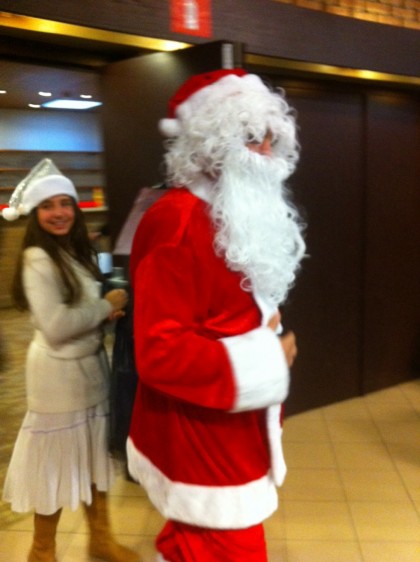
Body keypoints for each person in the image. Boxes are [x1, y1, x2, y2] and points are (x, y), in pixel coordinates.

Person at [127, 68, 306, 561]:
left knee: (190, 547)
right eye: (250, 137)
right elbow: (159, 351)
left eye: (270, 137)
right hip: (201, 438)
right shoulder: (177, 220)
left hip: (234, 426)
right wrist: (265, 359)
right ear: (210, 143)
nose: (264, 151)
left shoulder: (231, 209)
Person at [1, 158, 140, 562]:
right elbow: (56, 326)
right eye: (48, 206)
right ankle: (41, 552)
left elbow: (75, 311)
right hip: (57, 381)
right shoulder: (37, 258)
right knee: (55, 468)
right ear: (35, 214)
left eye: (65, 203)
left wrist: (100, 315)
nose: (59, 212)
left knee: (94, 458)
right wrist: (106, 305)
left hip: (89, 371)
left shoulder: (72, 251)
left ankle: (101, 540)